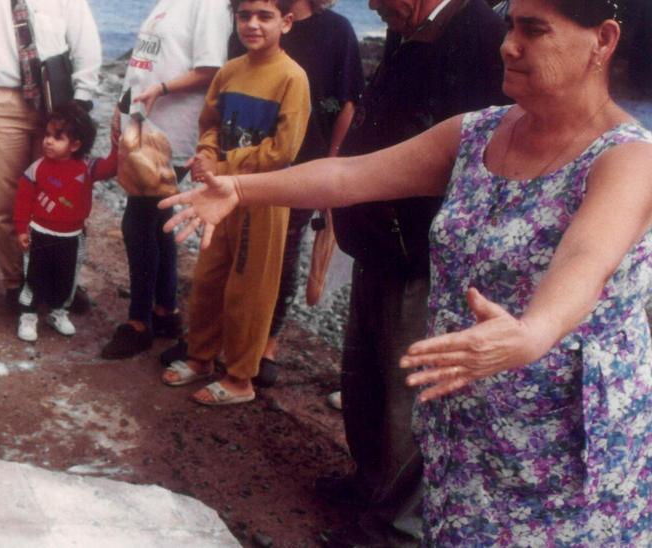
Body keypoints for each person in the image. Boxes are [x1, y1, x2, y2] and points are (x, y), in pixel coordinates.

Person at [162, 0, 652, 543]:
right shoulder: (478, 133)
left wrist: (534, 331)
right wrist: (240, 189)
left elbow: (588, 257)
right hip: (466, 417)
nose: (507, 45)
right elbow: (349, 177)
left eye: (533, 31)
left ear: (603, 41)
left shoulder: (629, 159)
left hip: (562, 443)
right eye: (511, 25)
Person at [270, 0, 502, 544]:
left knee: (405, 391)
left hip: (420, 254)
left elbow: (474, 149)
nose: (372, 6)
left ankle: (395, 529)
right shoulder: (412, 28)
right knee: (364, 373)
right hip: (378, 241)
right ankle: (369, 482)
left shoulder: (477, 31)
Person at [158, 0, 310, 407]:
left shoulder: (292, 77)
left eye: (265, 16)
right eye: (245, 15)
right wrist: (206, 155)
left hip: (263, 196)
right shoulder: (229, 71)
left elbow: (282, 150)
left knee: (251, 288)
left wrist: (223, 163)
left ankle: (241, 378)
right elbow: (208, 123)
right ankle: (201, 358)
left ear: (286, 22)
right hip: (217, 195)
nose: (253, 24)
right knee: (209, 277)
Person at [225, 0, 363, 384]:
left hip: (304, 165)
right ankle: (235, 338)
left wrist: (333, 165)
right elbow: (231, 84)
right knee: (238, 247)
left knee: (282, 255)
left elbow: (348, 103)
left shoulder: (336, 30)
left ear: (285, 21)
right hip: (245, 159)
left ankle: (268, 342)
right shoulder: (254, 18)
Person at [0, 0, 103, 310]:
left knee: (61, 196)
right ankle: (16, 283)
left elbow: (85, 42)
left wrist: (81, 99)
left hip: (56, 103)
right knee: (4, 201)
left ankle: (61, 281)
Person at [98, 0, 232, 360]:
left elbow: (211, 68)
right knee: (158, 222)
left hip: (171, 133)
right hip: (142, 127)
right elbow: (144, 65)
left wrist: (162, 90)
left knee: (138, 223)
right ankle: (165, 312)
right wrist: (120, 108)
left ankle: (138, 323)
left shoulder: (211, 6)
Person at [13, 105, 117, 342]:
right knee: (34, 276)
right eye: (47, 135)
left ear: (75, 145)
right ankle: (28, 315)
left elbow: (112, 167)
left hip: (72, 236)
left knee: (66, 276)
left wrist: (118, 144)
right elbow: (22, 200)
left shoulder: (87, 167)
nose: (48, 141)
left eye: (57, 137)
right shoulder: (37, 168)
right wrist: (21, 229)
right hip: (39, 232)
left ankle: (58, 311)